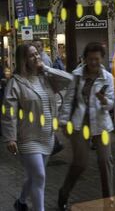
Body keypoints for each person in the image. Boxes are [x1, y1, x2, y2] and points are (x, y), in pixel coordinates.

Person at [1, 43, 73, 211]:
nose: (37, 57)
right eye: (32, 55)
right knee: (39, 176)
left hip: (47, 135)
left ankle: (21, 202)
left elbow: (69, 80)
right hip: (28, 137)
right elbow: (8, 113)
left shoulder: (45, 77)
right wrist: (10, 137)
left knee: (34, 177)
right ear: (23, 60)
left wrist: (46, 68)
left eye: (37, 54)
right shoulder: (16, 83)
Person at [58, 42, 115, 210]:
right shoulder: (76, 76)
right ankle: (64, 193)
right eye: (90, 59)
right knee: (80, 163)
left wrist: (105, 101)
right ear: (85, 59)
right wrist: (63, 122)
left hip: (101, 123)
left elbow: (111, 103)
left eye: (97, 59)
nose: (94, 63)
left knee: (105, 161)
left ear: (102, 58)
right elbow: (68, 100)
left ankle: (108, 202)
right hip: (80, 123)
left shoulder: (108, 78)